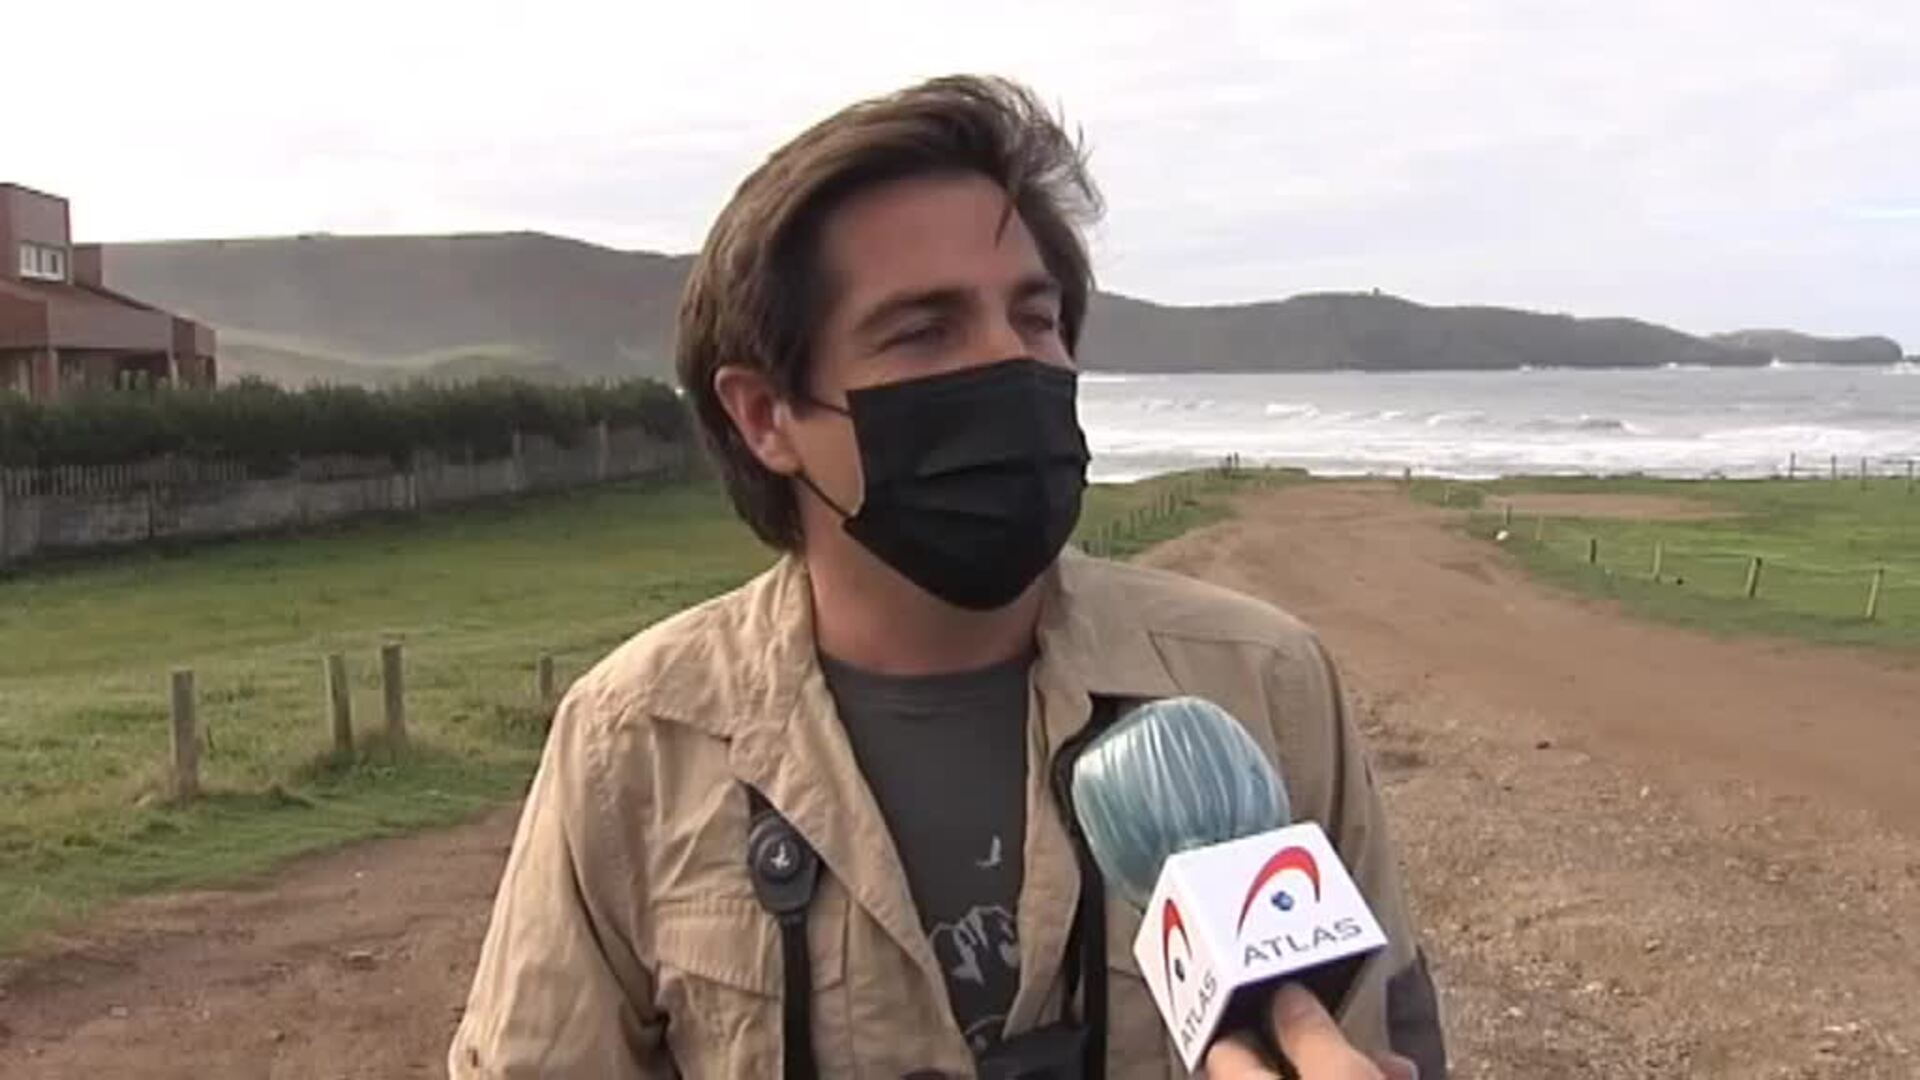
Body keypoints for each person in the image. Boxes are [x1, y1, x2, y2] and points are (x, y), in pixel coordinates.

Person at [449, 75, 1446, 1079]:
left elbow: (1383, 1034)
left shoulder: (1260, 686)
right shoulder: (636, 741)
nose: (1009, 365)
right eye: (924, 330)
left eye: (1035, 318)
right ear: (766, 416)